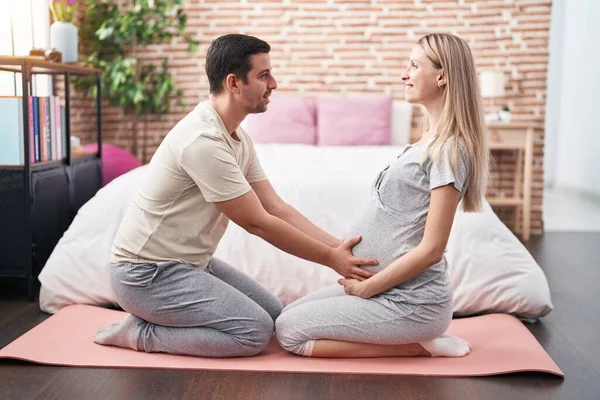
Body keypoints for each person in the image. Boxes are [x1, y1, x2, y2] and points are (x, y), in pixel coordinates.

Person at [94, 34, 378, 358]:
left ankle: (163, 321)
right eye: (263, 75)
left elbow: (275, 207)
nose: (274, 83)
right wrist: (329, 260)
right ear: (234, 82)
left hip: (190, 265)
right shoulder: (203, 141)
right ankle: (141, 332)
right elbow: (258, 223)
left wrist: (337, 247)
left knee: (271, 312)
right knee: (252, 333)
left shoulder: (238, 137)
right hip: (146, 275)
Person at [276, 33, 490, 358]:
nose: (405, 73)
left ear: (442, 75)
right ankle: (410, 339)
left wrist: (367, 287)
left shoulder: (449, 149)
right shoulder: (427, 142)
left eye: (414, 65)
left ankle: (419, 347)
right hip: (386, 293)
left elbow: (433, 249)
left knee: (290, 334)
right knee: (286, 318)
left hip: (411, 302)